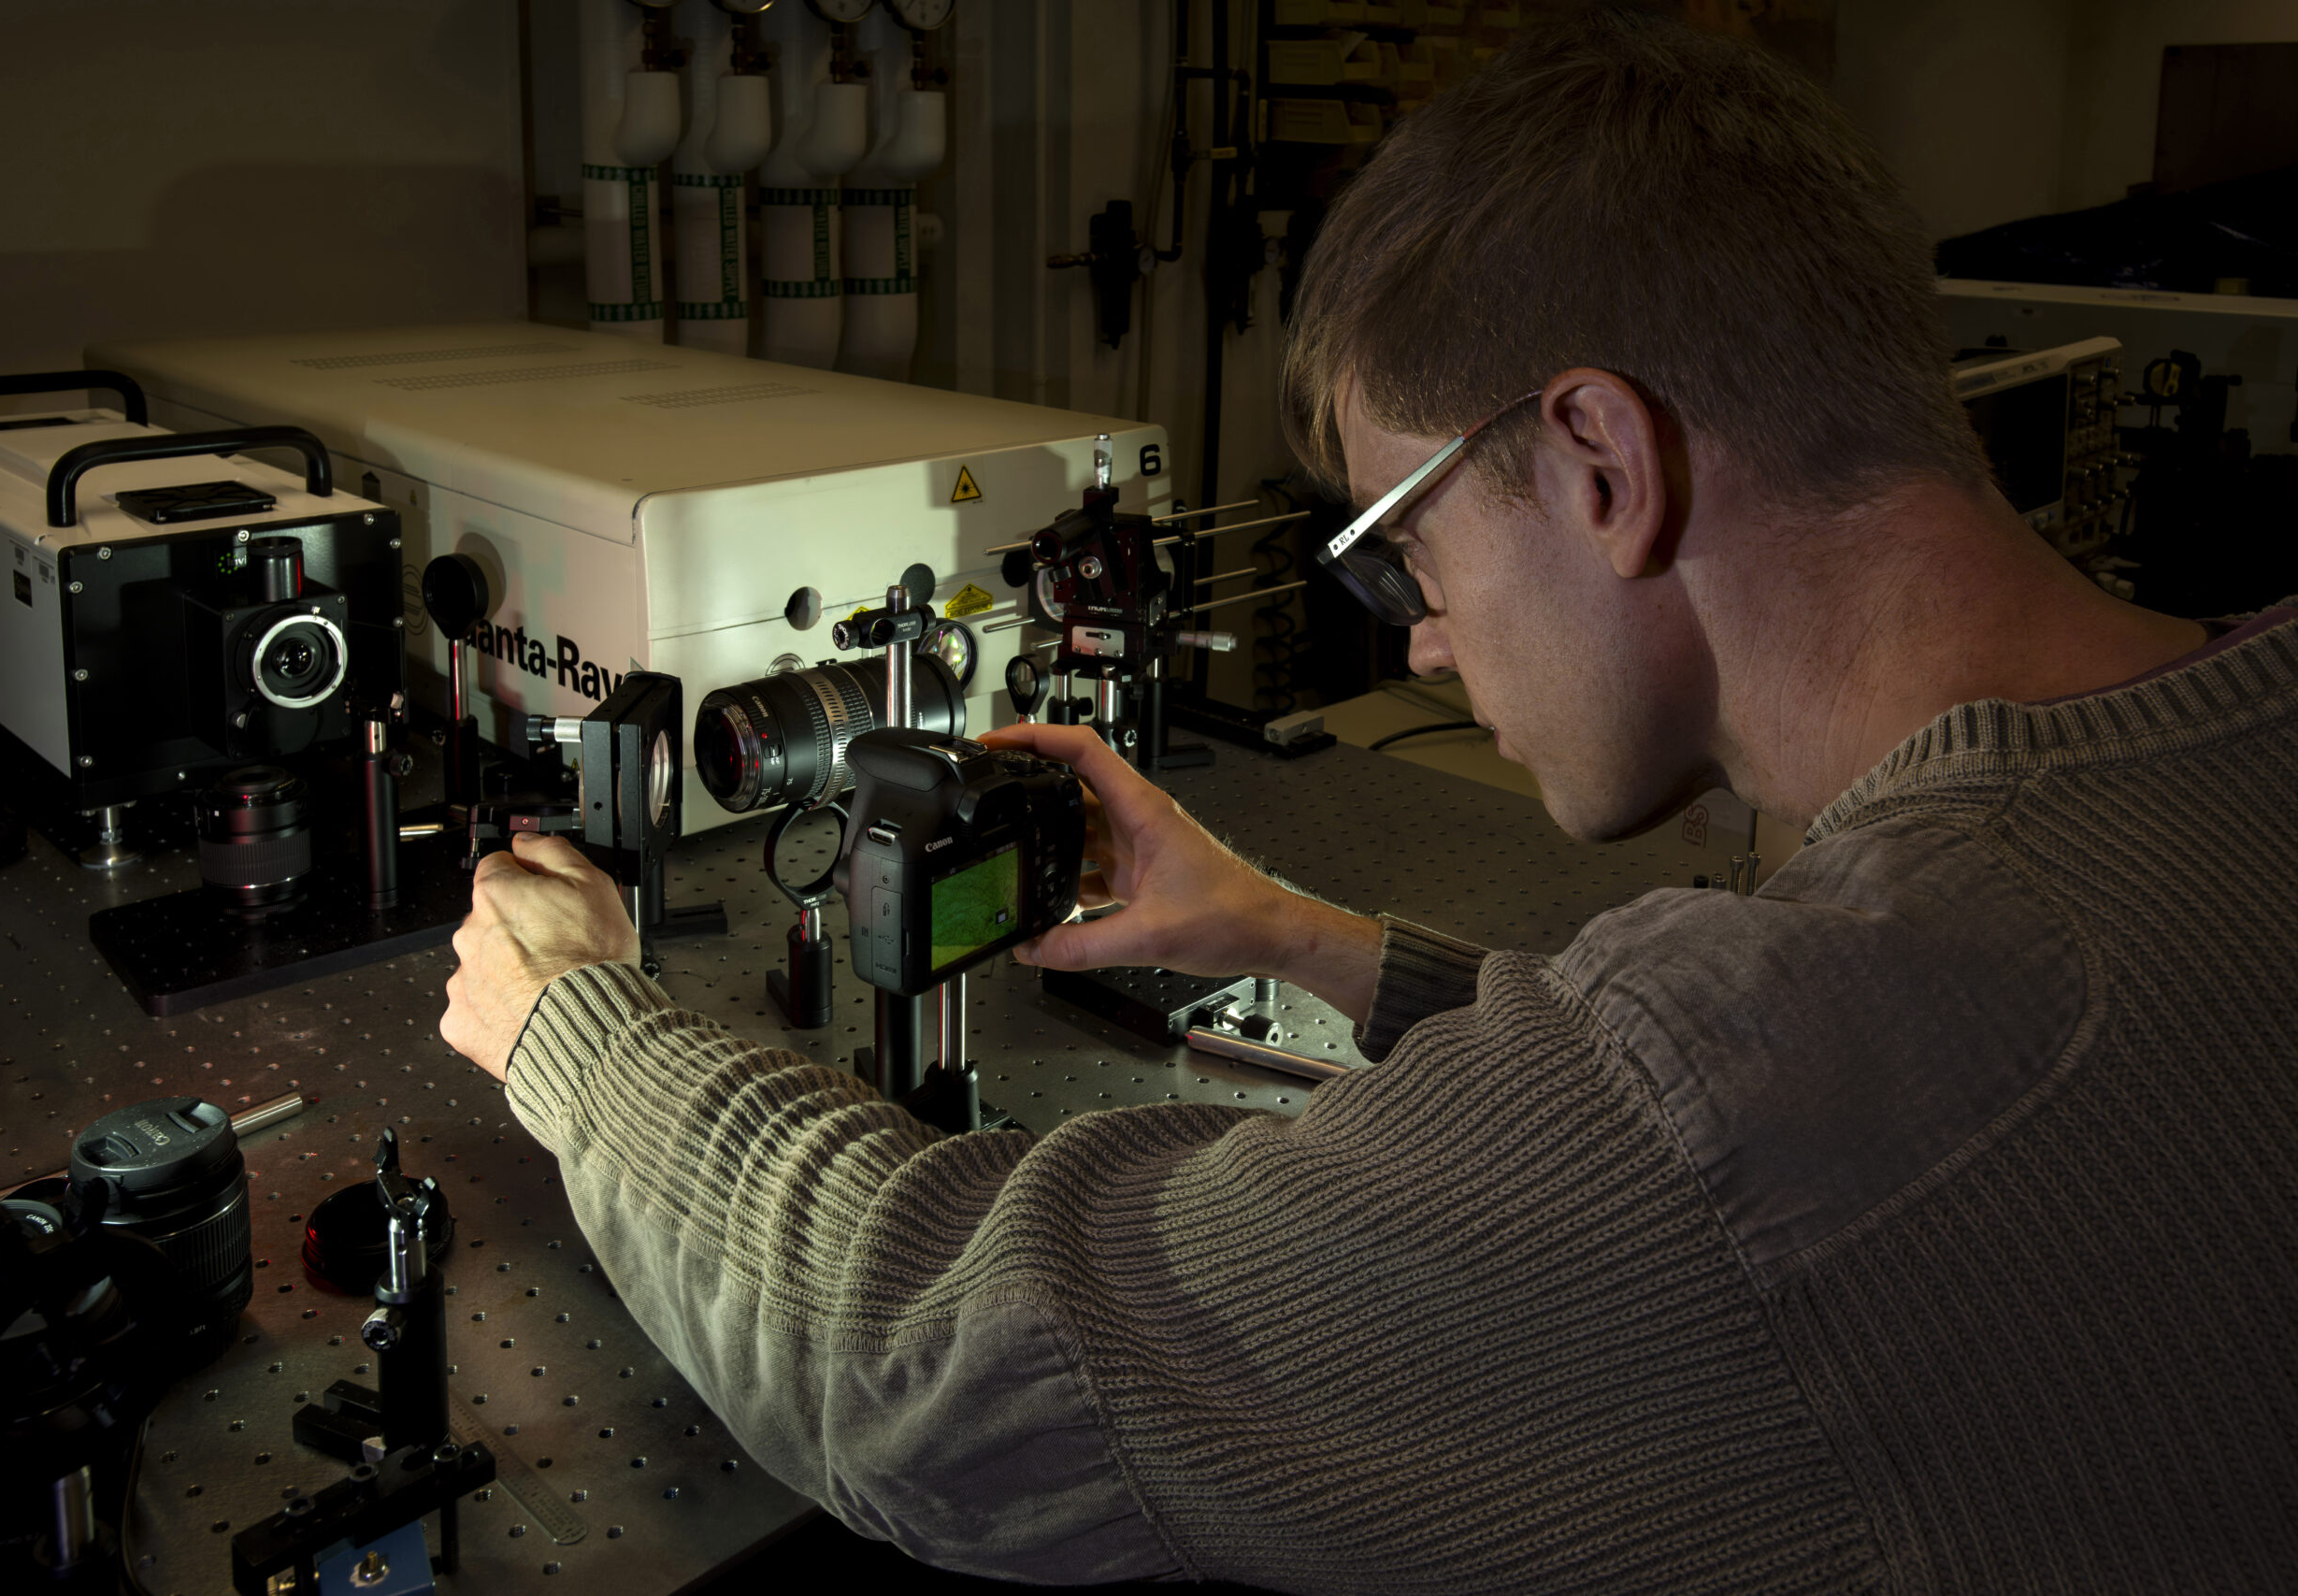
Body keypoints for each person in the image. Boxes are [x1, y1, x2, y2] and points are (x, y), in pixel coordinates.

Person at [442, 10, 2298, 1591]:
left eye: (1403, 551)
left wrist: (576, 1022)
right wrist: (1291, 934)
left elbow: (945, 1378)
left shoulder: (1760, 1077)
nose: (1416, 639)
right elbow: (1734, 1134)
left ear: (1598, 460)